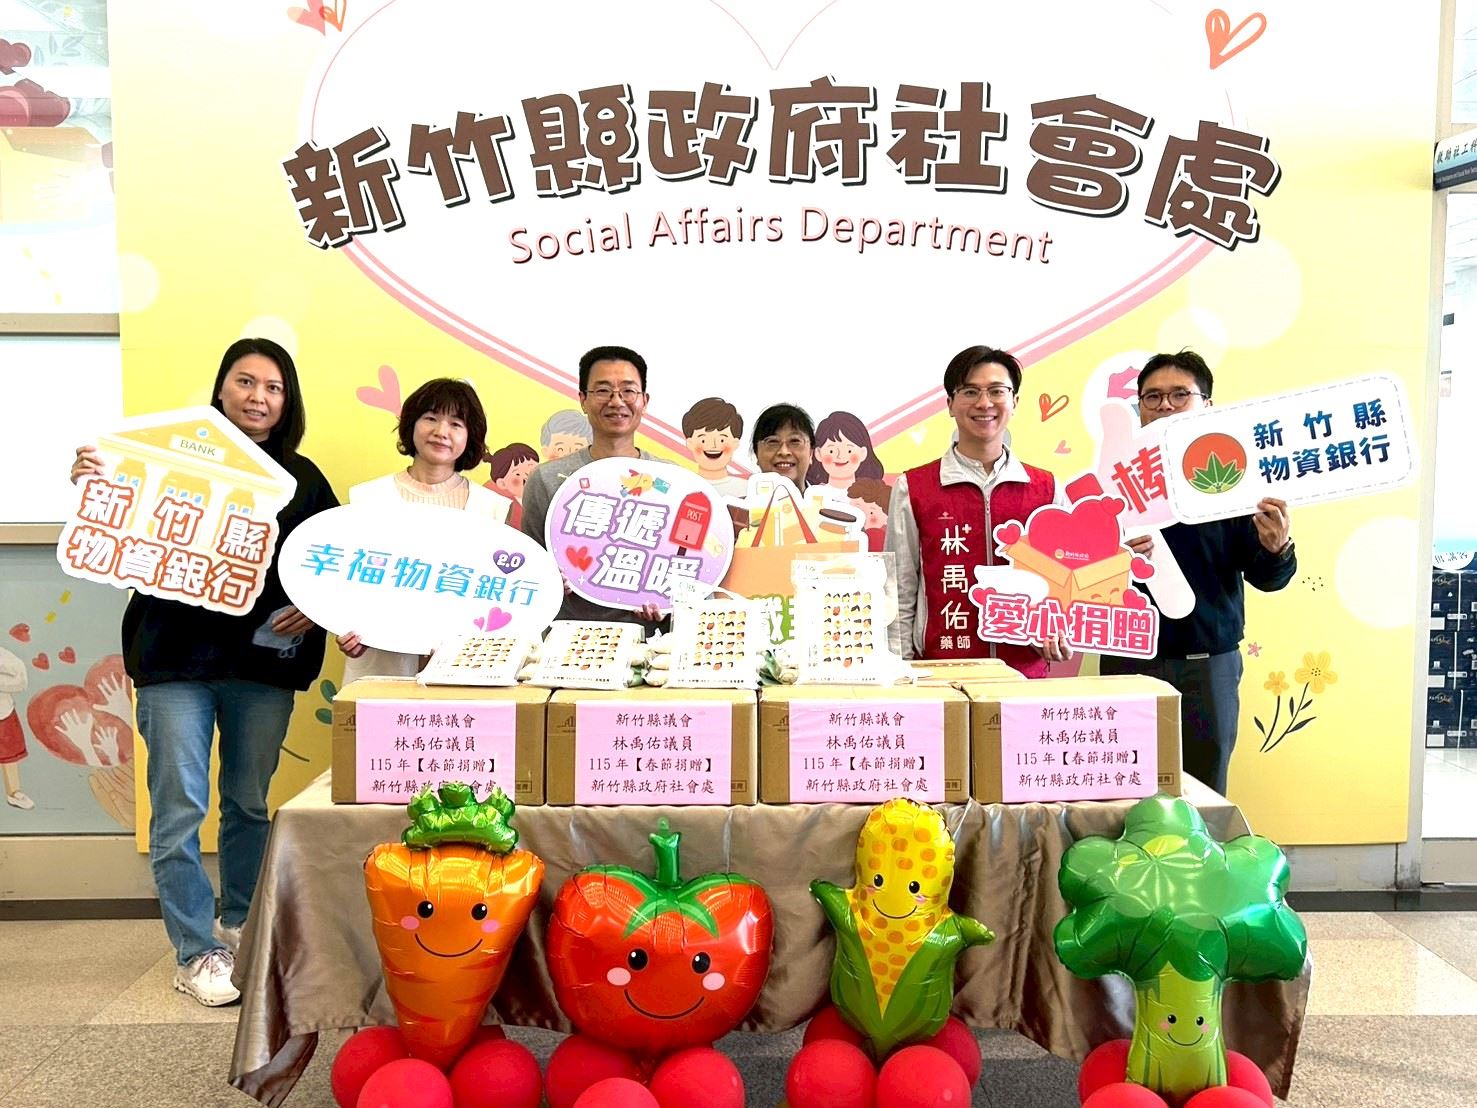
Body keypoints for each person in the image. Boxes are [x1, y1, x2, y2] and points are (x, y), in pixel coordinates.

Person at [70, 337, 337, 1006]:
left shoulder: (303, 480)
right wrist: (97, 478)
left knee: (247, 801)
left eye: (273, 387)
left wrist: (317, 605)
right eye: (245, 382)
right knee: (180, 807)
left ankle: (240, 921)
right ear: (221, 388)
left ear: (287, 401)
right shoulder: (168, 458)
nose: (258, 397)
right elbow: (117, 511)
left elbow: (334, 561)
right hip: (174, 660)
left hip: (260, 665)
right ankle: (194, 952)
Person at [1100, 350, 1295, 795]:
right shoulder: (1110, 483)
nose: (1165, 406)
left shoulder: (1233, 479)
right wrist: (1112, 558)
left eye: (1179, 395)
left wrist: (1277, 547)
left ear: (1206, 405)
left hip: (1208, 667)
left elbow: (1268, 578)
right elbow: (1080, 572)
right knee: (1121, 787)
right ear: (1139, 408)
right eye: (1152, 397)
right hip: (1129, 661)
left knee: (1204, 791)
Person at [886, 344, 1069, 676]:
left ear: (1014, 401)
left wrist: (1062, 631)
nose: (984, 403)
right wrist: (901, 669)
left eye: (997, 391)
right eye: (970, 391)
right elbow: (899, 588)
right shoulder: (913, 488)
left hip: (1025, 674)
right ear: (950, 404)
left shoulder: (1047, 489)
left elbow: (1065, 581)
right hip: (940, 672)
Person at [337, 378, 506, 685]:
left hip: (462, 671)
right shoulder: (368, 498)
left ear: (470, 436)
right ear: (411, 424)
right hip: (381, 665)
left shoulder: (491, 508)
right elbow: (346, 581)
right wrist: (345, 626)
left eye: (456, 424)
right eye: (430, 418)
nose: (441, 431)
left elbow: (498, 592)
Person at [520, 346, 664, 631]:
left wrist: (669, 601)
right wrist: (547, 580)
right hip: (565, 642)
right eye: (603, 391)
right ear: (583, 400)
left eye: (628, 391)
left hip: (652, 646)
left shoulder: (672, 481)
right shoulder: (546, 479)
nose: (616, 401)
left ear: (644, 401)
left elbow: (688, 571)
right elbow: (528, 570)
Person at [682, 396, 748, 497]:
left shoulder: (747, 489)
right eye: (703, 440)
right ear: (690, 443)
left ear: (735, 443)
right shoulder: (680, 486)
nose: (713, 446)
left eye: (722, 440)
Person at [807, 410, 884, 494]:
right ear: (818, 453)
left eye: (849, 451)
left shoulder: (872, 495)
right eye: (831, 451)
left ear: (863, 453)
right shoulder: (814, 493)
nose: (840, 456)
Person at [750, 403, 815, 489]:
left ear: (811, 453)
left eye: (795, 441)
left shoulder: (828, 498)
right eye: (773, 441)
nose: (784, 452)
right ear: (756, 453)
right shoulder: (739, 498)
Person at [485, 441, 540, 528]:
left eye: (531, 467)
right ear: (502, 484)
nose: (527, 475)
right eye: (517, 474)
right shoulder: (505, 511)